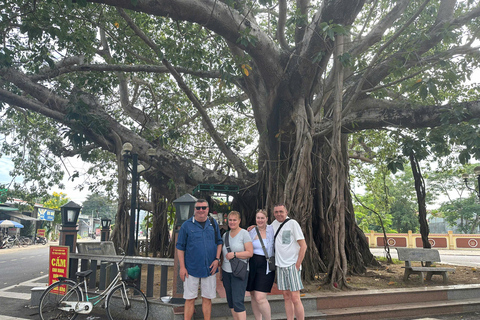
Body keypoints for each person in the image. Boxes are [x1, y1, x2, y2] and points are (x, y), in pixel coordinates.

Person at [176, 199, 223, 320]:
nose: (201, 210)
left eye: (204, 207)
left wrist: (217, 259)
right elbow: (180, 247)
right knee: (190, 298)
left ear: (208, 209)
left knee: (207, 298)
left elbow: (219, 242)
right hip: (191, 268)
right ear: (194, 209)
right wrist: (182, 267)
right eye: (198, 208)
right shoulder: (186, 225)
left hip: (210, 268)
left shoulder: (213, 223)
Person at [272, 204, 307, 320]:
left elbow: (303, 245)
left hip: (292, 265)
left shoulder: (293, 224)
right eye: (276, 212)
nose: (279, 214)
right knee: (286, 296)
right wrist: (252, 227)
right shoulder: (273, 225)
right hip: (280, 265)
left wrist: (297, 264)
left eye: (281, 211)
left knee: (295, 297)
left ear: (286, 212)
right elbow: (262, 230)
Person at [221, 211, 253, 320]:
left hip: (239, 271)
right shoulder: (225, 235)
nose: (232, 222)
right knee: (230, 301)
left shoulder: (244, 233)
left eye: (235, 220)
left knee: (238, 301)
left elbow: (250, 253)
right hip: (226, 272)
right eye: (230, 220)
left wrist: (235, 254)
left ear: (239, 221)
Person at [246, 209, 275, 320]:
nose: (260, 220)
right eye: (258, 218)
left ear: (267, 219)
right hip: (253, 264)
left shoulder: (272, 229)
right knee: (253, 295)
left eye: (262, 218)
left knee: (260, 297)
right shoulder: (251, 231)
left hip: (266, 265)